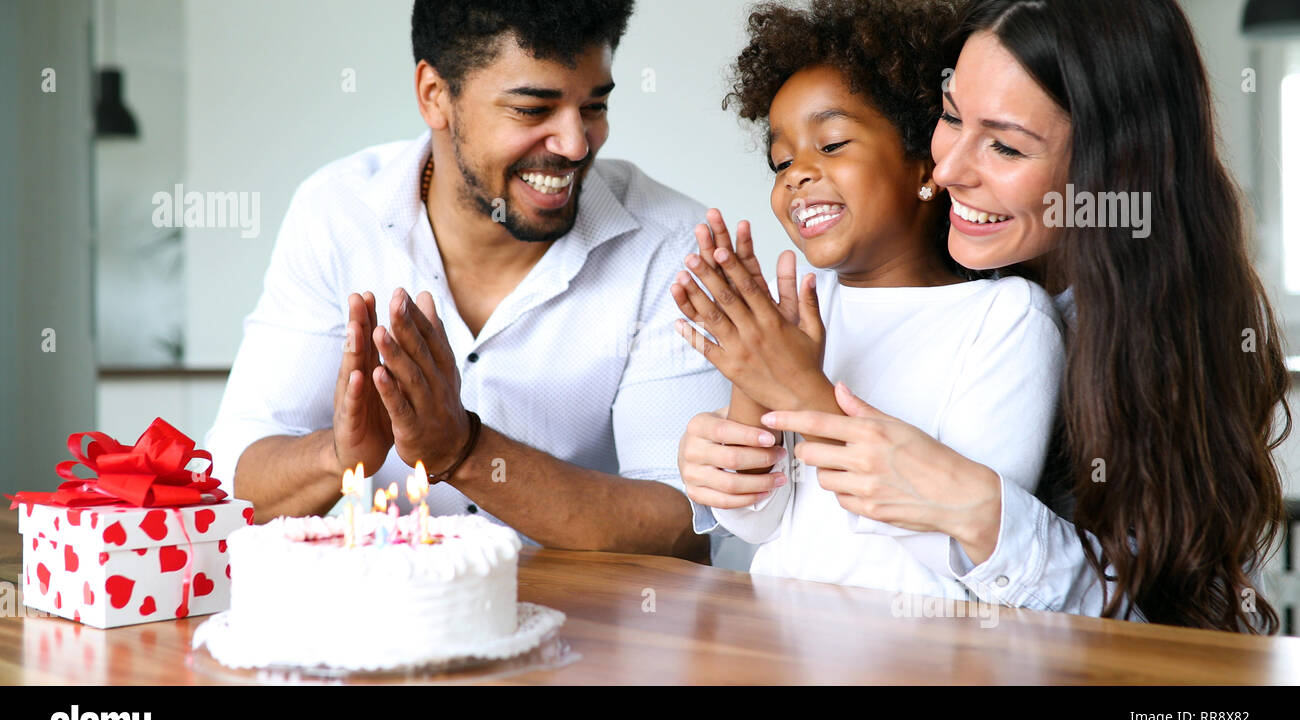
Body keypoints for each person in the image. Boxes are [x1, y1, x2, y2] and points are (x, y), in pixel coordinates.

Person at [684, 0, 1291, 632]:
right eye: (948, 118)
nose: (945, 168)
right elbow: (778, 520)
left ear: (1107, 172)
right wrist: (729, 452)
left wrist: (980, 512)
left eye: (1004, 146)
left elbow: (1161, 632)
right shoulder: (899, 278)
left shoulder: (1120, 336)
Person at [204, 0, 730, 563]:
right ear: (435, 94)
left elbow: (687, 526)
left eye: (593, 106)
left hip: (598, 636)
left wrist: (466, 451)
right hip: (395, 630)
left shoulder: (672, 245)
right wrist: (337, 456)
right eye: (533, 110)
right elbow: (229, 491)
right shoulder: (336, 216)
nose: (576, 145)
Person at [670, 0, 1065, 599]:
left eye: (830, 145)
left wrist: (796, 387)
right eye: (781, 160)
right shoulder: (802, 309)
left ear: (922, 164)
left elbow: (966, 541)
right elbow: (755, 520)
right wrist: (750, 370)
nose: (795, 174)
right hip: (778, 644)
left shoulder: (1007, 319)